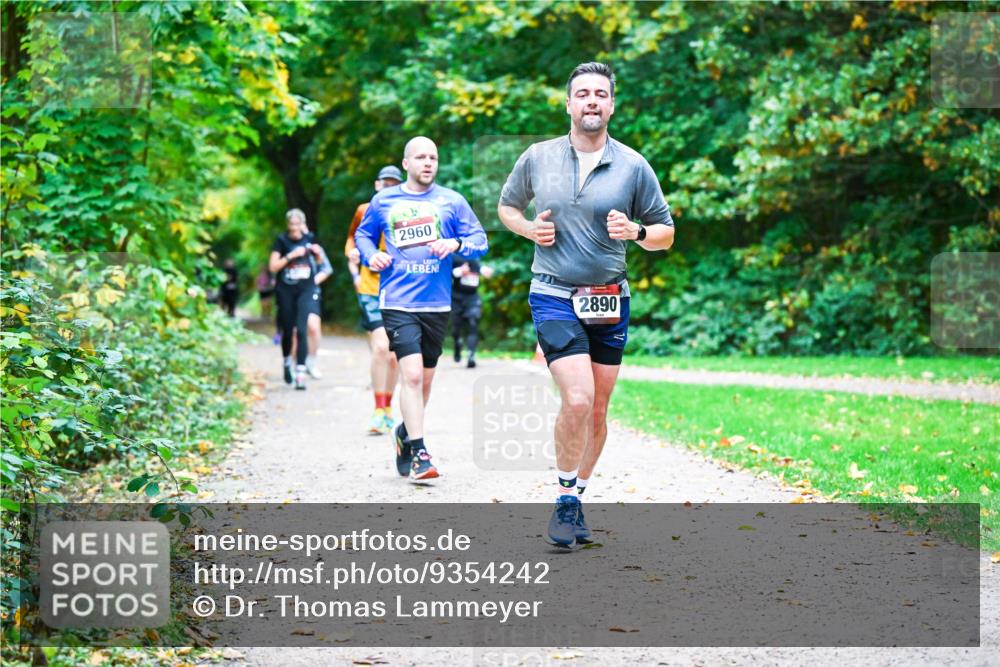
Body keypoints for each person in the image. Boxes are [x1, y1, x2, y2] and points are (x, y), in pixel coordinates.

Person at [497, 62, 675, 546]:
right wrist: (528, 228)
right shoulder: (538, 157)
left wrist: (637, 232)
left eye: (601, 93)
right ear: (569, 104)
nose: (592, 101)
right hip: (552, 291)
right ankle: (562, 497)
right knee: (577, 398)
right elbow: (507, 207)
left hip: (610, 298)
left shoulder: (634, 165)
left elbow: (666, 234)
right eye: (583, 94)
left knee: (597, 410)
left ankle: (577, 495)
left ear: (612, 104)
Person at [355, 137, 488, 481]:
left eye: (433, 157)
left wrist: (455, 243)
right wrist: (372, 256)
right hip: (398, 300)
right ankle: (420, 454)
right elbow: (363, 236)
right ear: (406, 163)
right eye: (421, 157)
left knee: (425, 380)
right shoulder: (384, 200)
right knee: (411, 375)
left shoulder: (452, 201)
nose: (428, 163)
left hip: (437, 303)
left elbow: (480, 241)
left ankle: (404, 433)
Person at [345, 165, 403, 434]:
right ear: (377, 185)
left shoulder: (407, 213)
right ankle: (378, 409)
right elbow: (351, 240)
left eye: (395, 183)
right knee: (381, 347)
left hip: (400, 289)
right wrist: (354, 255)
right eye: (385, 183)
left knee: (394, 356)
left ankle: (388, 408)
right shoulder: (363, 210)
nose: (389, 187)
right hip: (370, 288)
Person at [268, 208, 327, 390]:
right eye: (291, 224)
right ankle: (287, 362)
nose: (294, 228)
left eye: (297, 224)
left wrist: (317, 254)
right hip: (285, 290)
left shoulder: (310, 238)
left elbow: (319, 264)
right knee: (288, 330)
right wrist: (291, 255)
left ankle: (300, 373)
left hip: (306, 289)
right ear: (288, 224)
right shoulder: (281, 241)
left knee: (302, 330)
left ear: (302, 224)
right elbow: (273, 267)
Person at [289, 220, 333, 379]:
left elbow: (327, 269)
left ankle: (310, 362)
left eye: (302, 226)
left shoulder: (314, 248)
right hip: (292, 292)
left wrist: (313, 280)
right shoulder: (287, 245)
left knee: (313, 328)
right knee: (295, 331)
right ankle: (294, 365)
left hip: (311, 292)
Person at [450, 259, 493, 368]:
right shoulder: (455, 256)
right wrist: (459, 271)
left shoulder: (475, 256)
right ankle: (457, 344)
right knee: (456, 329)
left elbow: (481, 268)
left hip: (472, 299)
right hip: (456, 299)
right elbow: (449, 274)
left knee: (473, 323)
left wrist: (486, 271)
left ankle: (471, 355)